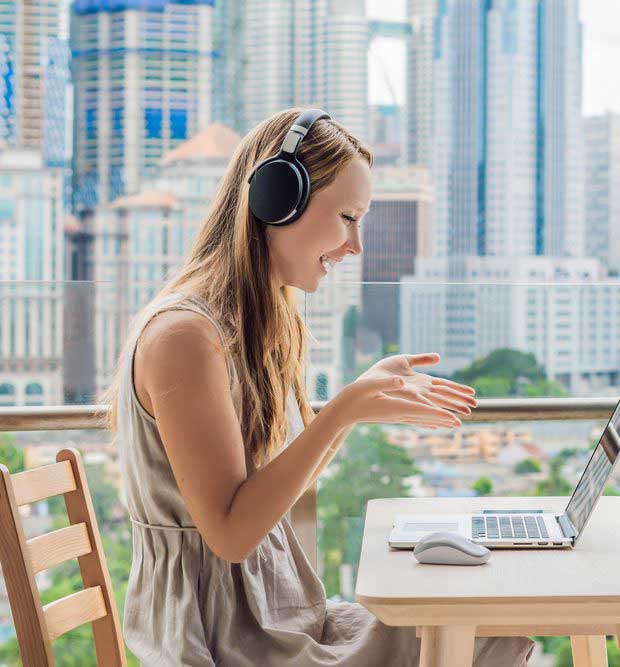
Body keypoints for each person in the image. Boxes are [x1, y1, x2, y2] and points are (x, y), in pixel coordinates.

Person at [100, 108, 535, 666]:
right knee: (485, 635)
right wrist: (343, 411)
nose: (355, 245)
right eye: (348, 217)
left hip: (280, 617)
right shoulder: (184, 337)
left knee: (493, 623)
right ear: (276, 201)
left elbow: (263, 489)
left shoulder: (250, 322)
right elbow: (232, 535)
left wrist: (352, 407)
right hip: (224, 638)